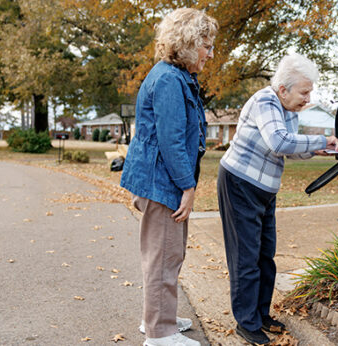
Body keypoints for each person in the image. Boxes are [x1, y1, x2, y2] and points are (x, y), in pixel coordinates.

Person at [217, 53, 338, 345]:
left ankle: (260, 315)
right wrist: (321, 139)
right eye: (304, 92)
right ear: (283, 89)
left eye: (309, 92)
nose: (308, 98)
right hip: (240, 183)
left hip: (263, 189)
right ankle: (246, 323)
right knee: (246, 258)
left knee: (265, 256)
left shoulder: (288, 109)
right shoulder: (265, 101)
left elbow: (287, 148)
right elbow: (279, 141)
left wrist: (318, 151)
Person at [120, 8, 217, 346]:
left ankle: (160, 317)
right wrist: (188, 188)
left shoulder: (174, 77)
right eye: (206, 45)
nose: (209, 53)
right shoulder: (168, 80)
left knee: (168, 254)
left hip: (161, 180)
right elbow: (172, 141)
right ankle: (159, 334)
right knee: (163, 256)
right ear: (189, 43)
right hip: (163, 184)